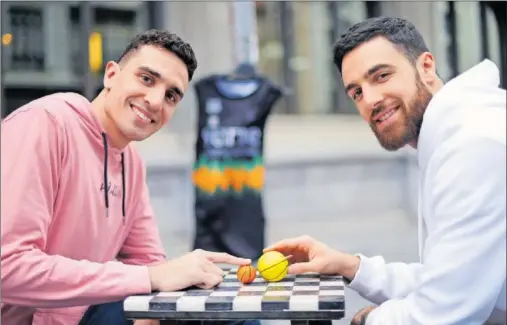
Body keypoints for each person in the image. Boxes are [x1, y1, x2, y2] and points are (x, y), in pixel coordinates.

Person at [264, 17, 506, 325]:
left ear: (426, 67)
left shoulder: (473, 144)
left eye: (381, 76)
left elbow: (444, 311)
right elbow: (455, 275)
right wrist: (349, 266)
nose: (371, 100)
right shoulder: (457, 132)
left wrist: (370, 321)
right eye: (357, 93)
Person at [1, 29, 251, 325]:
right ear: (111, 74)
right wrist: (148, 278)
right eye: (146, 79)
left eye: (171, 95)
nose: (156, 101)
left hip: (88, 314)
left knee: (234, 314)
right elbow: (8, 267)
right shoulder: (46, 125)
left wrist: (175, 281)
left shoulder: (131, 163)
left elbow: (149, 262)